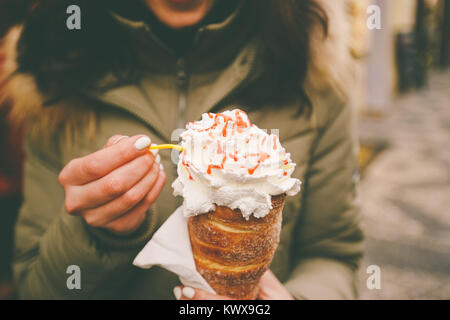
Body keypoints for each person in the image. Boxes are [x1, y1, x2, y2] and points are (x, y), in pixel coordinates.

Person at [0, 0, 363, 299]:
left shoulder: (312, 66)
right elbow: (34, 289)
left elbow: (331, 255)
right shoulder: (58, 71)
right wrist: (96, 235)